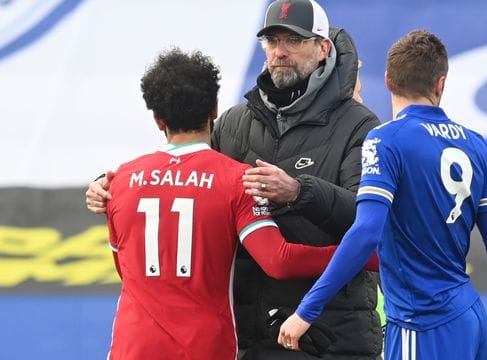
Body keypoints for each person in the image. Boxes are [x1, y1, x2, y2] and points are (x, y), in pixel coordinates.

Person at [86, 0, 383, 358]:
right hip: (252, 334)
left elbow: (370, 220)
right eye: (272, 41)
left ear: (322, 48)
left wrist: (299, 191)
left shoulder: (362, 126)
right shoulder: (234, 123)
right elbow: (191, 169)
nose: (280, 52)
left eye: (293, 40)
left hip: (328, 333)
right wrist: (105, 184)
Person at [278, 29, 487, 360]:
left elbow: (365, 233)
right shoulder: (475, 144)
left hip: (420, 323)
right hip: (470, 317)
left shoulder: (385, 140)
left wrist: (307, 309)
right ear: (441, 84)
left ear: (389, 81)